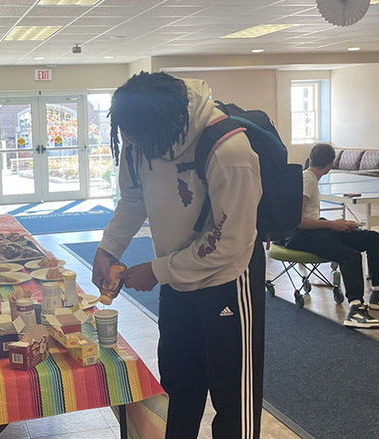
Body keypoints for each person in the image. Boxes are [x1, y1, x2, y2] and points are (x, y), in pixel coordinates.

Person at [93, 71, 265, 439]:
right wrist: (109, 247)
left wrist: (157, 270)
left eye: (138, 140)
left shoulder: (229, 151)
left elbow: (230, 243)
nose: (132, 146)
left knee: (233, 398)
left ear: (169, 125)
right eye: (127, 139)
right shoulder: (138, 137)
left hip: (228, 281)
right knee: (178, 385)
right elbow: (134, 197)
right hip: (177, 279)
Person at [285, 143, 379, 328]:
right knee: (350, 255)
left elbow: (308, 216)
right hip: (300, 236)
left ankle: (378, 293)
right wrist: (332, 224)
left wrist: (339, 224)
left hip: (315, 230)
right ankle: (355, 307)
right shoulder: (308, 180)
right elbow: (296, 220)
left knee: (373, 238)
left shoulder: (310, 177)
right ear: (331, 163)